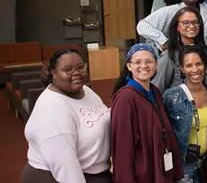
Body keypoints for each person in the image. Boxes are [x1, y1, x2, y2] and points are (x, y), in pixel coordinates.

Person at [22, 49, 111, 183]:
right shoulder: (52, 109)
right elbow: (66, 167)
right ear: (54, 73)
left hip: (95, 172)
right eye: (68, 69)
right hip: (58, 178)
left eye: (80, 67)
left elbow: (100, 117)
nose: (76, 73)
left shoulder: (85, 90)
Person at [111, 43, 184, 183]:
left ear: (156, 65)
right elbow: (122, 147)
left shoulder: (154, 91)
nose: (143, 66)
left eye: (149, 61)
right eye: (137, 62)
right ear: (129, 66)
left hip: (158, 166)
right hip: (141, 175)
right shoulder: (126, 98)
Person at [162, 45, 207, 183]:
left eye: (199, 64)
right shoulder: (171, 97)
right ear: (182, 69)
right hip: (184, 165)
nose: (195, 70)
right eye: (189, 65)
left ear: (205, 66)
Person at [153, 7, 207, 92]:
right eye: (185, 23)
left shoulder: (204, 52)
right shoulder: (169, 56)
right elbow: (156, 91)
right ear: (177, 27)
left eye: (195, 22)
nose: (191, 26)